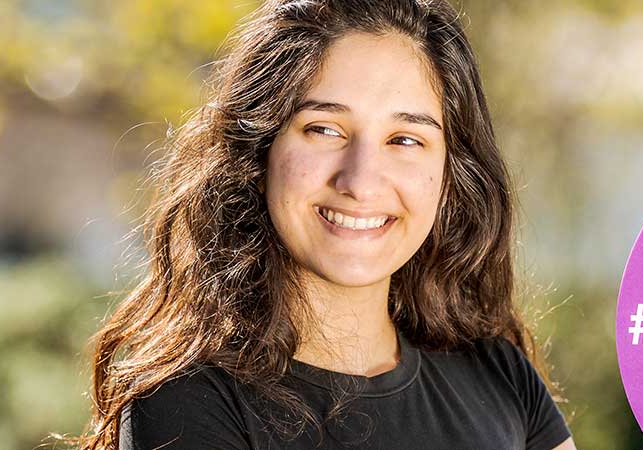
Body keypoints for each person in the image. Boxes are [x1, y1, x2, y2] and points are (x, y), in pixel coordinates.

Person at [70, 0, 574, 448]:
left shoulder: (502, 377)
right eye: (324, 129)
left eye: (404, 140)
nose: (360, 181)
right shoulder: (187, 405)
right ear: (259, 152)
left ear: (448, 174)